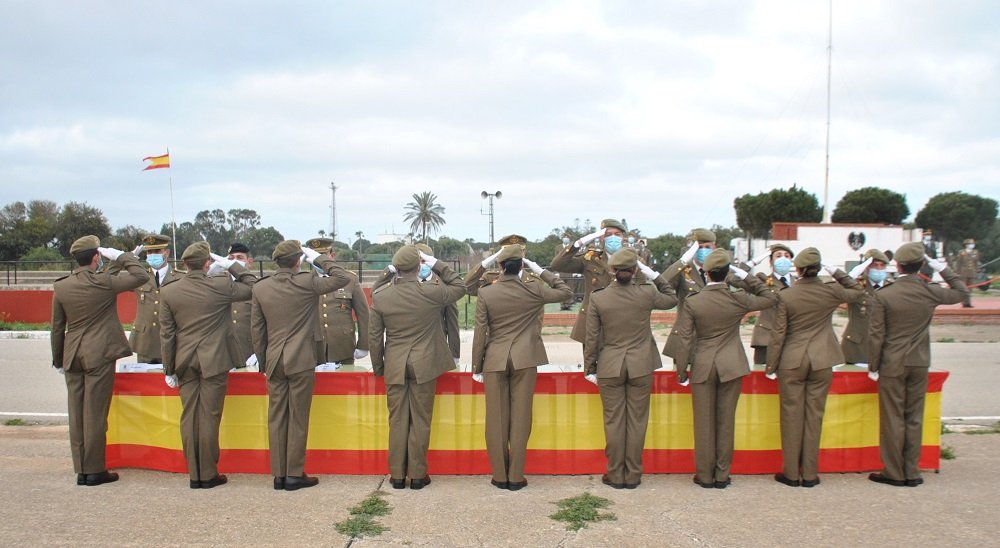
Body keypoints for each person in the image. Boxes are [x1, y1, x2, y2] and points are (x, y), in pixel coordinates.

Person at [251, 240, 354, 491]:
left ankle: (279, 474)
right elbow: (341, 277)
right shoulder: (307, 282)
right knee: (298, 417)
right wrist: (319, 259)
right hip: (301, 359)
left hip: (274, 359)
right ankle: (294, 474)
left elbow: (257, 329)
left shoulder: (261, 287)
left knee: (276, 417)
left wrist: (264, 361)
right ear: (299, 260)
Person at [672, 249, 776, 489]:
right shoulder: (737, 298)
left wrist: (682, 370)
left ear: (706, 273)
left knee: (704, 422)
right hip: (731, 364)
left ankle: (705, 476)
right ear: (727, 273)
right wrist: (745, 275)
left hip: (704, 363)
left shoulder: (694, 301)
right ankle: (722, 475)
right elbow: (770, 298)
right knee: (726, 421)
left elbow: (685, 338)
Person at [471, 245, 572, 491]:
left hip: (495, 358)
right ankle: (516, 476)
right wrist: (541, 270)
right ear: (522, 266)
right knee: (521, 418)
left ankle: (499, 475)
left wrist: (477, 365)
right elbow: (565, 291)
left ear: (501, 266)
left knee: (496, 420)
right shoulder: (534, 289)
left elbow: (480, 331)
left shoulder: (487, 293)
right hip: (525, 359)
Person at [868, 243, 969, 487]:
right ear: (921, 265)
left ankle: (894, 472)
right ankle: (912, 471)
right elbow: (961, 292)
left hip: (893, 362)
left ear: (898, 265)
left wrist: (873, 366)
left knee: (893, 417)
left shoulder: (884, 295)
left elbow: (876, 335)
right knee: (914, 417)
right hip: (920, 361)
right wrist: (943, 268)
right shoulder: (929, 291)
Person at [50, 236, 149, 486]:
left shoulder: (62, 286)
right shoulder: (103, 282)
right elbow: (140, 276)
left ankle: (81, 468)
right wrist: (122, 256)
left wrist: (58, 359)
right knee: (94, 413)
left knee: (77, 412)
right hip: (99, 354)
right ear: (97, 257)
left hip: (72, 354)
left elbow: (57, 327)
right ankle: (94, 470)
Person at [159, 242, 257, 489]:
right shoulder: (220, 285)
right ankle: (208, 473)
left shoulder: (170, 291)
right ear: (207, 263)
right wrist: (232, 266)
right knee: (209, 417)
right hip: (214, 359)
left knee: (189, 417)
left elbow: (167, 334)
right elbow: (253, 287)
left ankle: (195, 473)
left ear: (183, 264)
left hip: (184, 360)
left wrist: (169, 368)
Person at [369, 245, 466, 490]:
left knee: (398, 421)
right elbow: (460, 287)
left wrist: (379, 366)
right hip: (424, 363)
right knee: (420, 420)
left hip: (395, 363)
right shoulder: (431, 293)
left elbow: (374, 336)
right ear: (418, 266)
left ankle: (398, 476)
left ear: (396, 268)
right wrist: (436, 263)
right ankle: (418, 475)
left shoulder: (381, 295)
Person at [765, 247, 863, 488]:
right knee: (814, 416)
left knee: (791, 416)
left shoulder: (787, 296)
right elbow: (856, 291)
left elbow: (779, 334)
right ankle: (809, 473)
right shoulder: (829, 292)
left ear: (797, 270)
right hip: (822, 359)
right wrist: (837, 271)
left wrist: (771, 365)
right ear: (819, 269)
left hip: (792, 359)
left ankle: (791, 472)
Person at [584, 248, 677, 489]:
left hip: (610, 364)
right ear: (635, 269)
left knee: (614, 421)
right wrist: (653, 274)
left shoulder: (599, 297)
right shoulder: (645, 293)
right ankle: (633, 474)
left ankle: (615, 474)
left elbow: (592, 336)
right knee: (637, 421)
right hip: (641, 364)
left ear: (612, 270)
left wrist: (590, 367)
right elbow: (671, 297)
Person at [549, 220, 629, 350]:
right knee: (592, 366)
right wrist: (580, 242)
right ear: (601, 237)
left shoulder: (635, 262)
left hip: (623, 321)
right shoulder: (590, 259)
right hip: (593, 322)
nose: (613, 238)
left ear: (623, 238)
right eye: (608, 234)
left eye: (617, 234)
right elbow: (557, 264)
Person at [305, 238, 370, 366]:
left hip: (342, 347)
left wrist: (364, 344)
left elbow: (363, 313)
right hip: (313, 348)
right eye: (315, 257)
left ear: (332, 256)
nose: (319, 261)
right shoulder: (304, 281)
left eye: (323, 256)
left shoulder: (349, 279)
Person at [661, 228, 717, 365]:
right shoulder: (683, 271)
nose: (703, 251)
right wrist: (682, 261)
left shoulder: (721, 272)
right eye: (699, 247)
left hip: (713, 339)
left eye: (707, 247)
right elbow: (662, 283)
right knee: (681, 383)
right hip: (685, 339)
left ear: (714, 248)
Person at [129, 234, 182, 364]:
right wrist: (126, 259)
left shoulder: (180, 278)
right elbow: (108, 280)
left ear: (167, 252)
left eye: (157, 251)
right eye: (149, 251)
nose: (153, 255)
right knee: (144, 383)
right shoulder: (139, 277)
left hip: (172, 342)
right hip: (145, 342)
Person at [740, 244, 795, 366]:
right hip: (766, 338)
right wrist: (753, 262)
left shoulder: (798, 283)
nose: (783, 259)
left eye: (787, 256)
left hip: (792, 339)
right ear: (770, 261)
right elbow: (734, 279)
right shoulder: (762, 281)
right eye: (778, 256)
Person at [841, 249, 892, 366]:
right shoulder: (856, 285)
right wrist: (851, 275)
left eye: (882, 266)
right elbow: (837, 291)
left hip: (884, 346)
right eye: (875, 265)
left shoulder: (892, 286)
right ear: (867, 267)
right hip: (857, 347)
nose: (879, 269)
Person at [224, 243, 256, 367]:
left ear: (249, 261)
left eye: (239, 258)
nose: (235, 262)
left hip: (250, 350)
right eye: (231, 258)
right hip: (224, 351)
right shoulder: (219, 285)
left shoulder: (259, 285)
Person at [954, 239, 980, 308]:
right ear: (966, 245)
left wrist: (976, 271)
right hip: (963, 273)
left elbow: (976, 263)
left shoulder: (975, 252)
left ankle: (968, 302)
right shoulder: (961, 252)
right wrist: (957, 272)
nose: (972, 245)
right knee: (964, 288)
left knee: (970, 289)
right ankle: (964, 302)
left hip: (972, 272)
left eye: (972, 244)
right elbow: (958, 263)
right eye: (970, 244)